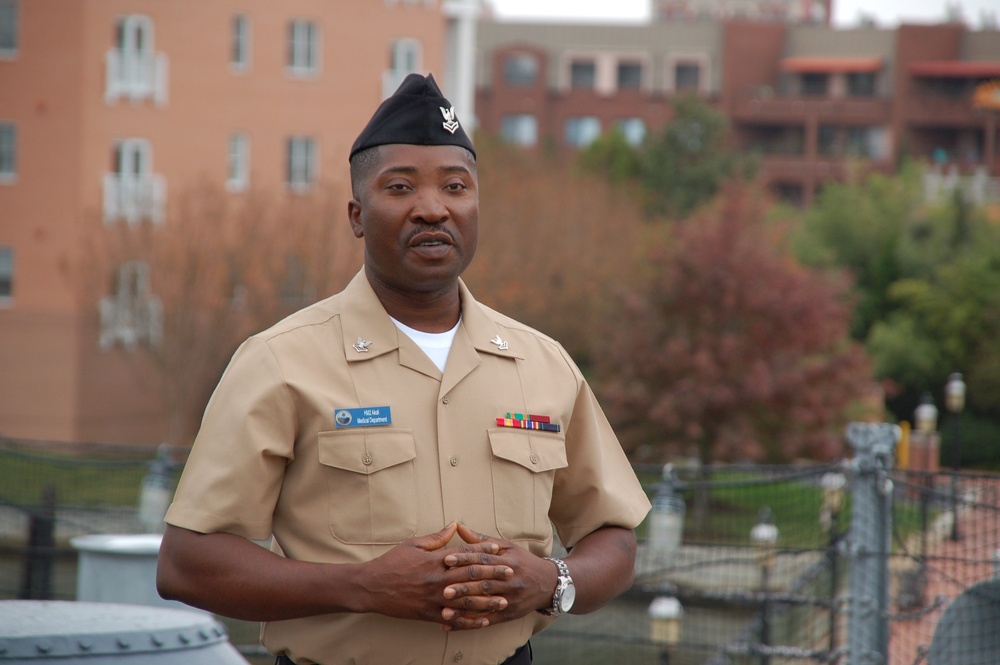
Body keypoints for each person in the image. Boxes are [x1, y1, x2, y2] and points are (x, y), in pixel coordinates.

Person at [156, 73, 651, 665]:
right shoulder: (281, 362)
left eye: (455, 186)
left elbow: (614, 538)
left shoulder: (544, 364)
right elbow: (188, 564)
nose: (433, 208)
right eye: (400, 188)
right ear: (357, 214)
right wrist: (363, 587)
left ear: (476, 206)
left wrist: (553, 582)